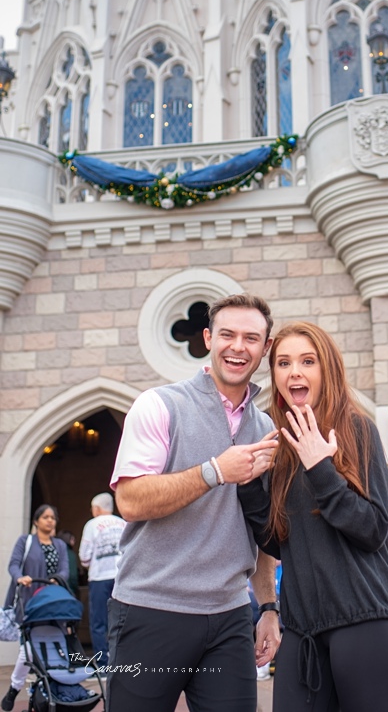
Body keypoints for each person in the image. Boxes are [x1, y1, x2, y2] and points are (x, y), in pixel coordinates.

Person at [108, 293, 281, 711]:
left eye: (251, 338)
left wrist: (269, 608)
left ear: (265, 348)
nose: (238, 347)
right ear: (208, 338)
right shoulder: (159, 405)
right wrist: (215, 471)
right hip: (151, 609)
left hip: (230, 617)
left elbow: (259, 531)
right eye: (227, 334)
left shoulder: (266, 429)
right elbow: (130, 500)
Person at [237, 321, 388, 710]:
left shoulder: (356, 429)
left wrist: (321, 468)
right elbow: (278, 543)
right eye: (283, 363)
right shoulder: (280, 447)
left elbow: (373, 528)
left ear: (326, 369)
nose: (294, 371)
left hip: (366, 621)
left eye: (307, 361)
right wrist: (249, 484)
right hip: (303, 632)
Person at [3, 505, 69, 712]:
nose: (50, 521)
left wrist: (56, 580)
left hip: (52, 603)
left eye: (53, 518)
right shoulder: (25, 541)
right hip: (30, 603)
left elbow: (65, 569)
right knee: (30, 649)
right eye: (46, 517)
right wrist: (20, 578)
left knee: (50, 646)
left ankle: (42, 693)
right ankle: (16, 687)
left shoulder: (59, 545)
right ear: (36, 521)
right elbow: (13, 564)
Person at [78, 492, 126, 665]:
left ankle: (103, 664)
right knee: (122, 620)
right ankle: (122, 662)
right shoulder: (123, 523)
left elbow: (84, 556)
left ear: (97, 509)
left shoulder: (92, 525)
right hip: (122, 578)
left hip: (99, 578)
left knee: (99, 622)